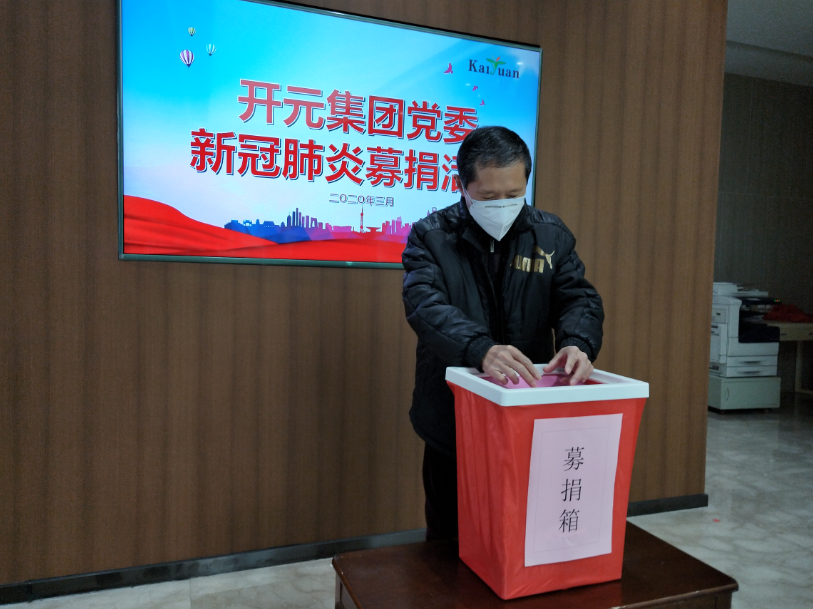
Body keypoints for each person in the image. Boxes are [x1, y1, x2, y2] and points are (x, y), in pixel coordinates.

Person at [401, 126, 604, 541]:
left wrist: (578, 343)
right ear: (463, 187)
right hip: (453, 415)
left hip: (529, 414)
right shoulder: (431, 236)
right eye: (489, 196)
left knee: (522, 531)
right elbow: (425, 305)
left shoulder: (550, 235)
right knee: (451, 535)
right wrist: (479, 348)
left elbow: (578, 298)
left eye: (513, 194)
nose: (502, 206)